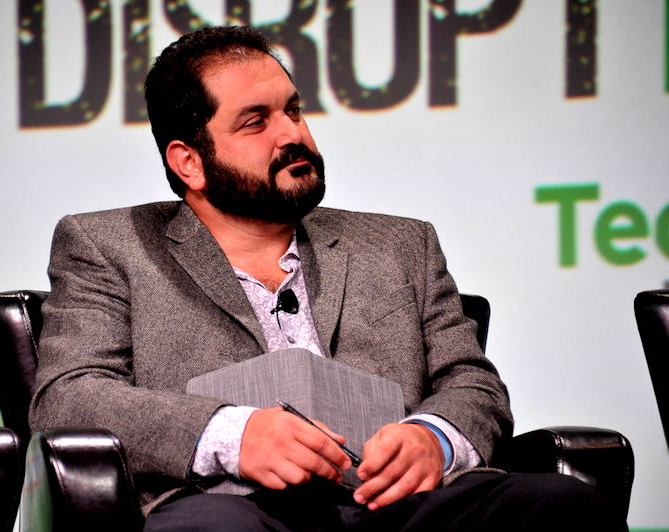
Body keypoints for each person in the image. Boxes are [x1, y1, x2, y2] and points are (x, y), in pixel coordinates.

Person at [30, 25, 624, 531]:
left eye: (292, 110)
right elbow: (68, 396)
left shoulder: (401, 245)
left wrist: (434, 438)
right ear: (190, 162)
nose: (292, 135)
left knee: (563, 504)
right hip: (230, 506)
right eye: (255, 122)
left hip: (401, 506)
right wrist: (235, 435)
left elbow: (473, 384)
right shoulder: (109, 245)